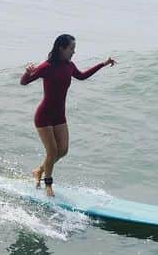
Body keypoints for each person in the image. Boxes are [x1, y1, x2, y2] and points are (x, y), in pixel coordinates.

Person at [19, 34, 115, 196]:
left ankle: (39, 171)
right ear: (61, 48)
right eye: (71, 49)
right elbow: (24, 82)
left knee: (62, 150)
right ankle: (48, 184)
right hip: (44, 116)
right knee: (52, 152)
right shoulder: (46, 67)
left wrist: (102, 64)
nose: (73, 52)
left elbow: (82, 76)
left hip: (59, 115)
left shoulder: (69, 66)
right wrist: (27, 72)